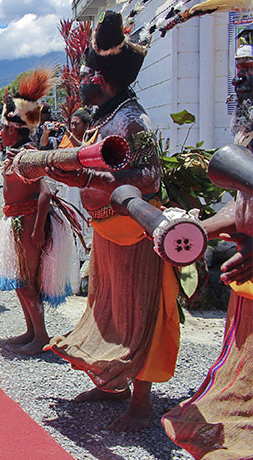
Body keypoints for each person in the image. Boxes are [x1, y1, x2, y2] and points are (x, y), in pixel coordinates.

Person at [46, 11, 180, 432]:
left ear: (101, 79)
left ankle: (141, 401)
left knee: (139, 311)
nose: (80, 82)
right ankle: (110, 384)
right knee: (106, 307)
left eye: (84, 75)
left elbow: (148, 177)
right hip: (106, 230)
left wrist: (92, 177)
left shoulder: (132, 118)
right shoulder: (106, 117)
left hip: (135, 232)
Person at [161, 27, 253, 458]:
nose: (242, 80)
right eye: (239, 71)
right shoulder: (247, 134)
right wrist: (197, 227)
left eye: (250, 70)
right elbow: (242, 207)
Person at [0, 68, 75, 355]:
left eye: (3, 129)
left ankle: (41, 336)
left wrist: (36, 230)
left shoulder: (27, 156)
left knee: (26, 281)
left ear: (13, 130)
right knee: (21, 281)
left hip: (29, 222)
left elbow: (45, 192)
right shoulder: (16, 155)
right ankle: (31, 331)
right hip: (18, 220)